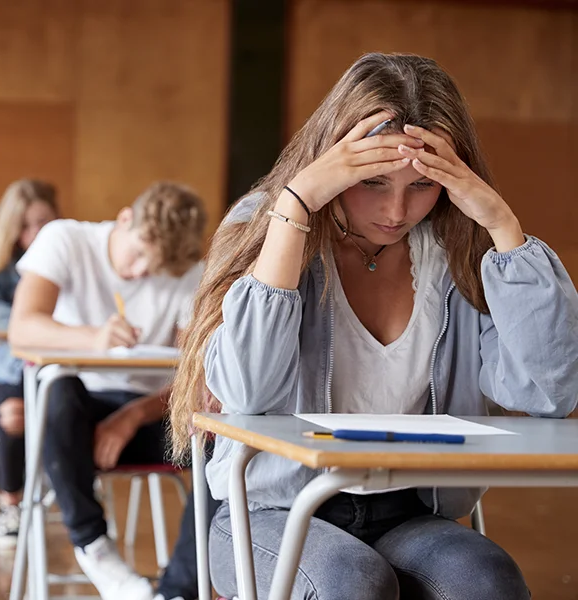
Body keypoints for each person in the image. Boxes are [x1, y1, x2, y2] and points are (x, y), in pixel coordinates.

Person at [169, 52, 578, 600]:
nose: (396, 210)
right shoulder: (266, 226)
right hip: (273, 511)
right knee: (351, 582)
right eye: (374, 181)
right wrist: (296, 206)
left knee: (487, 580)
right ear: (334, 162)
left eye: (422, 186)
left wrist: (503, 226)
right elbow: (246, 392)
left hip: (410, 511)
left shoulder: (456, 251)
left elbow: (548, 393)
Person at [9, 181, 211, 600]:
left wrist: (133, 415)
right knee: (58, 389)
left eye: (155, 269)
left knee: (218, 443)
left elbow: (194, 376)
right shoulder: (65, 239)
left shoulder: (186, 270)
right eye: (138, 255)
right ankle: (94, 548)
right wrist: (92, 337)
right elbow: (22, 328)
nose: (140, 273)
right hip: (72, 418)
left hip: (148, 411)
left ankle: (178, 591)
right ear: (123, 219)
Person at [0, 179, 59, 549]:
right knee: (14, 413)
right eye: (26, 225)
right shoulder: (1, 274)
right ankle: (11, 503)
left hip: (58, 368)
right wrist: (37, 321)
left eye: (43, 221)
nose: (35, 232)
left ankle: (70, 490)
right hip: (12, 371)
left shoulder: (65, 262)